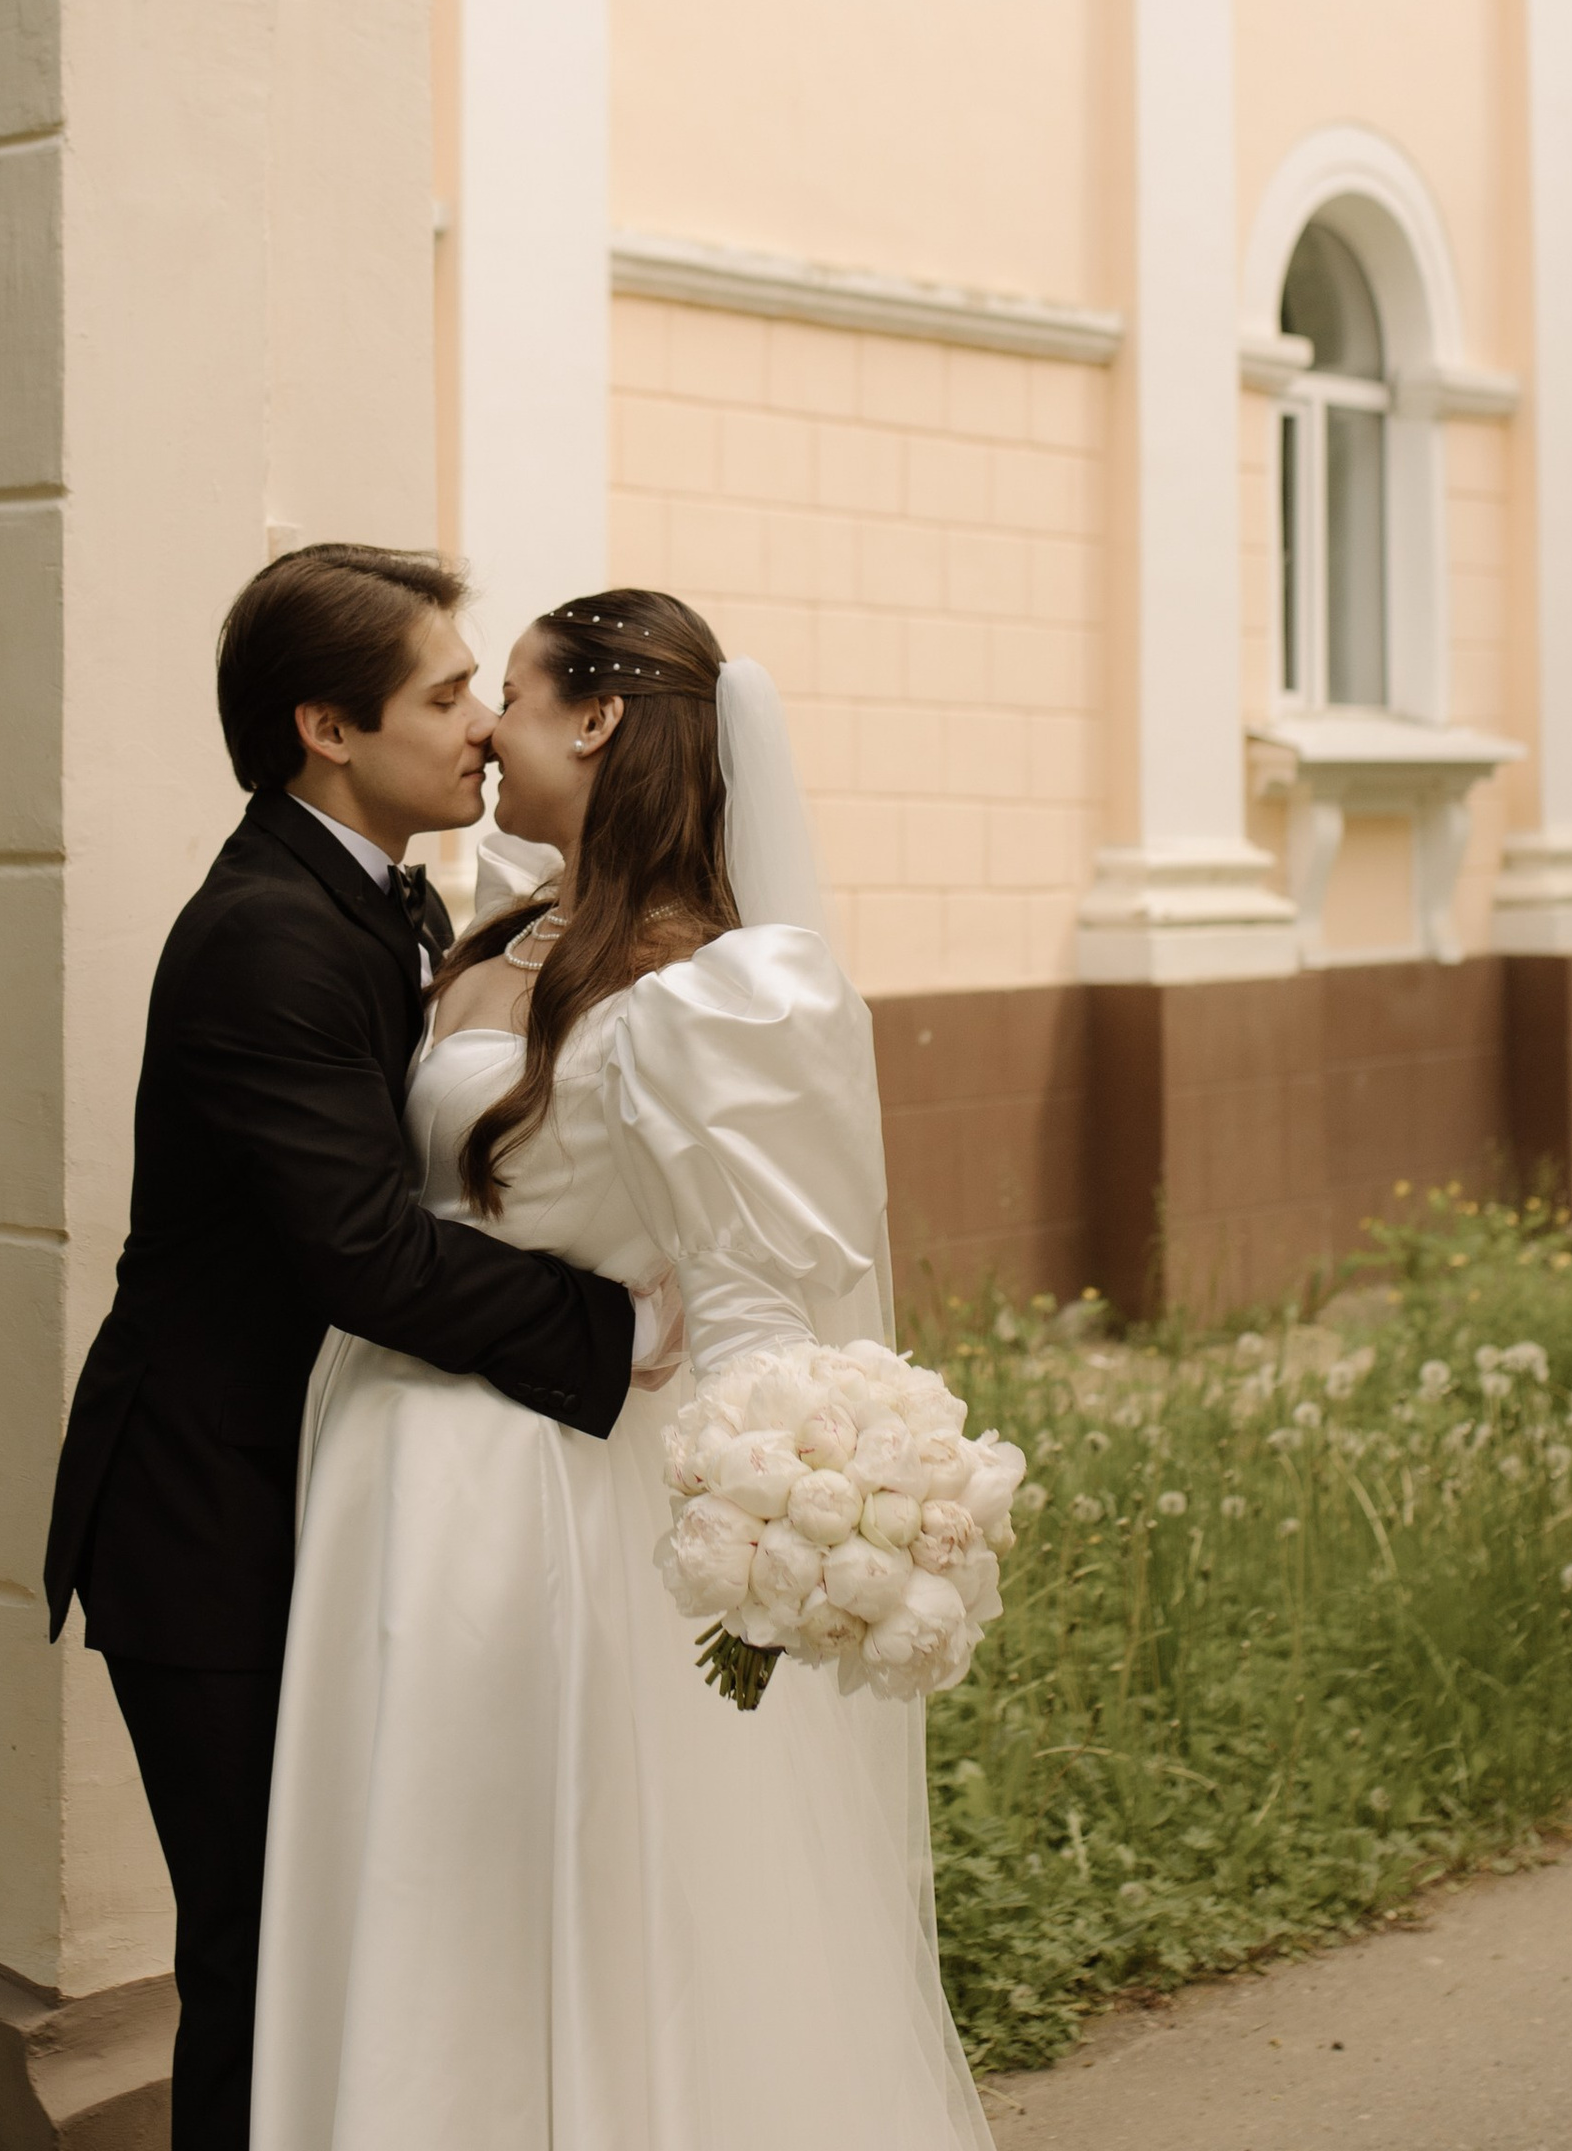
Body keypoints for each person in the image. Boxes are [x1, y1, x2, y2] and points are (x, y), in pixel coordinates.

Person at [251, 588, 994, 2151]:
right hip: (395, 1467)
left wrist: (791, 1518)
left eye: (501, 692)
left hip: (539, 1493)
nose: (479, 728)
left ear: (595, 717)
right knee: (414, 1882)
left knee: (541, 1889)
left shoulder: (708, 989)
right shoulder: (504, 923)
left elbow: (758, 1293)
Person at [43, 546, 683, 2151]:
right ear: (329, 727)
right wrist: (616, 1334)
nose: (482, 726)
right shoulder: (268, 929)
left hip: (323, 1486)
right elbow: (364, 1251)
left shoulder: (397, 899)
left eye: (484, 690)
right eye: (447, 693)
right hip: (207, 1506)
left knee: (343, 1949)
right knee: (262, 1962)